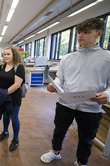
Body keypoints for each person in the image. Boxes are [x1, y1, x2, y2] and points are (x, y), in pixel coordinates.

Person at [40, 18, 110, 166]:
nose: (80, 36)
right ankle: (55, 152)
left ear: (99, 34)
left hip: (91, 107)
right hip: (66, 103)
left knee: (86, 138)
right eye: (79, 32)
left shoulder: (107, 58)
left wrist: (107, 94)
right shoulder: (67, 58)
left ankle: (81, 162)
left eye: (86, 32)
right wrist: (55, 86)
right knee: (59, 130)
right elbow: (60, 78)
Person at [0, 45, 25, 151]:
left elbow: (17, 85)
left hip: (13, 98)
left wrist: (4, 93)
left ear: (14, 55)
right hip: (3, 96)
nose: (6, 56)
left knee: (14, 117)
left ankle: (15, 139)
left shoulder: (18, 67)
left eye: (8, 54)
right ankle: (5, 132)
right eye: (4, 54)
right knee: (5, 115)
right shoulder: (2, 66)